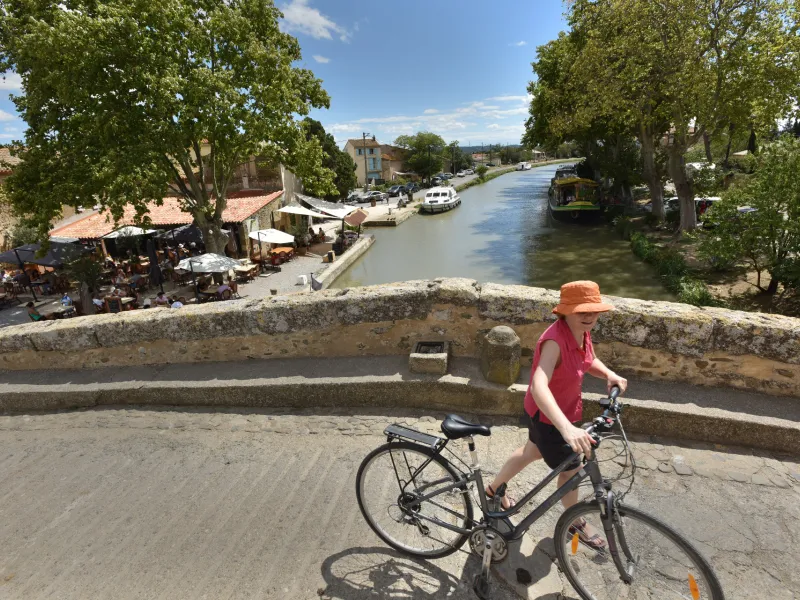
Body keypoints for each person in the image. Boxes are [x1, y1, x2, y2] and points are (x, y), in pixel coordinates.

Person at [485, 281, 627, 550]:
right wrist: (566, 428)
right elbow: (539, 385)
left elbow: (588, 360)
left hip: (555, 412)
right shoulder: (554, 341)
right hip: (550, 417)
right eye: (581, 311)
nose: (589, 316)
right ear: (566, 311)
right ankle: (575, 521)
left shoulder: (581, 332)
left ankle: (493, 489)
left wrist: (609, 374)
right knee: (572, 471)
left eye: (593, 311)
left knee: (532, 451)